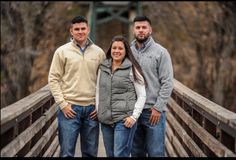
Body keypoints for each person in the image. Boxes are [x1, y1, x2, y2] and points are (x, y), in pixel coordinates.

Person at [48, 15, 106, 157]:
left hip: (92, 110)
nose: (80, 32)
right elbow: (53, 78)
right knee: (67, 153)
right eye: (77, 29)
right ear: (71, 31)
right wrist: (63, 104)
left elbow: (105, 81)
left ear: (88, 29)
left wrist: (100, 105)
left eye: (83, 29)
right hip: (70, 108)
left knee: (90, 153)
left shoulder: (99, 53)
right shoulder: (62, 51)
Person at [96, 35, 146, 157]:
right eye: (114, 48)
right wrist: (99, 111)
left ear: (126, 51)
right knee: (110, 154)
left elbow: (142, 95)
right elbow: (98, 90)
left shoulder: (132, 68)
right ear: (110, 49)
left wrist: (134, 117)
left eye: (120, 48)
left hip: (124, 120)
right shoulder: (103, 67)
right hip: (106, 120)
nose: (117, 51)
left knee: (120, 154)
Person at [130, 15, 174, 157]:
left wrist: (158, 107)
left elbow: (167, 83)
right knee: (136, 153)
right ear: (133, 30)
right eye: (138, 27)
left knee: (156, 153)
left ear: (150, 30)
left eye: (144, 27)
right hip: (133, 112)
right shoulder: (127, 51)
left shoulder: (161, 52)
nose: (141, 30)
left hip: (153, 112)